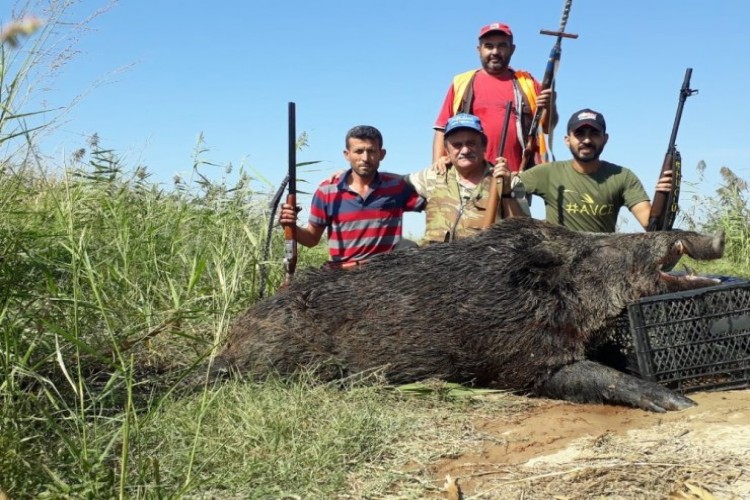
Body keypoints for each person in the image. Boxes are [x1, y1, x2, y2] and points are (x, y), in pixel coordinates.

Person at [496, 108, 673, 233]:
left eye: (594, 134)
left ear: (605, 139)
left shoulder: (623, 177)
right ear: (567, 140)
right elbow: (505, 189)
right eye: (580, 134)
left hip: (601, 262)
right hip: (557, 264)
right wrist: (502, 180)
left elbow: (651, 226)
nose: (587, 140)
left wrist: (665, 199)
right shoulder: (546, 173)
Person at [278, 125, 425, 268]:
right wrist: (290, 226)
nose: (365, 158)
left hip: (383, 273)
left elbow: (433, 201)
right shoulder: (327, 191)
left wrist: (443, 161)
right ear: (347, 155)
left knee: (409, 247)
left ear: (382, 154)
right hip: (341, 274)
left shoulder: (397, 186)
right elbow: (311, 239)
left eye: (371, 151)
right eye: (358, 151)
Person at [433, 22, 557, 171]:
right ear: (479, 50)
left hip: (516, 177)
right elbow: (441, 128)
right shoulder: (462, 82)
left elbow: (547, 127)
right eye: (489, 46)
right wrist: (438, 165)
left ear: (512, 49)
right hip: (469, 177)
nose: (495, 52)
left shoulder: (527, 83)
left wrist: (550, 105)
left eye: (502, 46)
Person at [408, 113, 528, 244]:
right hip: (432, 261)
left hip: (482, 262)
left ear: (484, 146)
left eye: (471, 143)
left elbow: (523, 234)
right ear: (447, 150)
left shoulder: (509, 181)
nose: (465, 150)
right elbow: (389, 184)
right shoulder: (431, 176)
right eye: (457, 145)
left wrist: (506, 193)